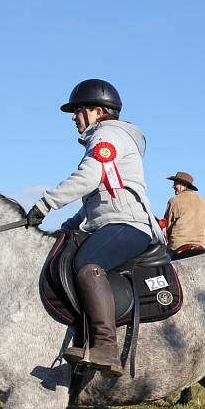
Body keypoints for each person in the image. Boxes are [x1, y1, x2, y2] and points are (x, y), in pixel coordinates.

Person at [25, 79, 166, 378]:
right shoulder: (107, 137)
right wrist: (67, 226)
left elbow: (88, 178)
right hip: (112, 222)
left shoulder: (108, 136)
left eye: (78, 111)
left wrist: (45, 204)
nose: (74, 117)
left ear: (98, 111)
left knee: (87, 264)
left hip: (128, 225)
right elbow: (97, 199)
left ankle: (105, 346)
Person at [164, 171, 205, 259]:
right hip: (201, 248)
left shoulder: (174, 201)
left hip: (177, 248)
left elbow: (166, 228)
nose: (173, 187)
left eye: (175, 184)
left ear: (182, 184)